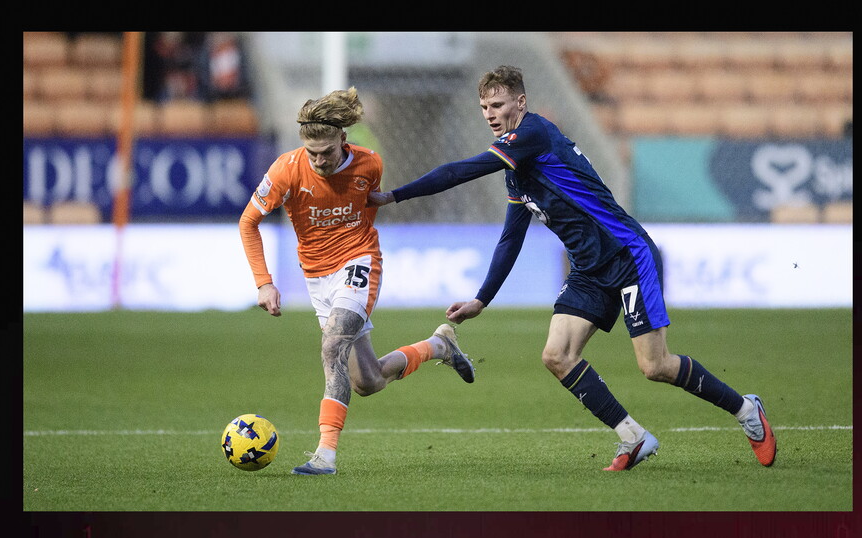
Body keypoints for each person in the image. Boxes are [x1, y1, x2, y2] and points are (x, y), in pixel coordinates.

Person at [368, 66, 776, 471]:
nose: (490, 113)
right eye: (483, 107)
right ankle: (632, 436)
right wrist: (482, 298)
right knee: (557, 355)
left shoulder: (531, 135)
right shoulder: (516, 169)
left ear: (520, 102)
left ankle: (745, 410)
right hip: (587, 268)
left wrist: (394, 196)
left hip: (626, 256)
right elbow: (512, 236)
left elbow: (461, 171)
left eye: (498, 104)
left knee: (656, 366)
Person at [239, 87, 476, 476]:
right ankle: (438, 345)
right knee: (367, 381)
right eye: (312, 153)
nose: (319, 161)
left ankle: (325, 456)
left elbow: (364, 217)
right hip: (317, 277)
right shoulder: (285, 170)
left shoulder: (370, 165)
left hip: (358, 262)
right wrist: (264, 282)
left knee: (333, 342)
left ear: (343, 140)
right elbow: (248, 222)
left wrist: (356, 256)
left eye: (327, 152)